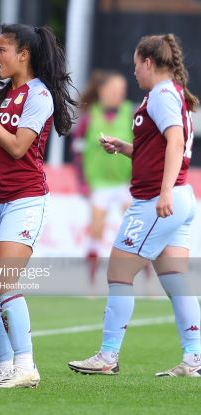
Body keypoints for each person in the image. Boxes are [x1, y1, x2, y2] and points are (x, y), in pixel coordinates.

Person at [68, 34, 199, 378]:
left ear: (148, 63)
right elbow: (163, 146)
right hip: (179, 196)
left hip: (159, 199)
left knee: (119, 274)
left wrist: (165, 191)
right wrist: (127, 148)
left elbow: (176, 141)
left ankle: (108, 356)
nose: (134, 72)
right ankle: (194, 359)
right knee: (175, 281)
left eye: (136, 65)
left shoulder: (162, 95)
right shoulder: (169, 94)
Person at [0, 23, 76, 388]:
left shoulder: (38, 95)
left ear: (23, 55)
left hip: (24, 198)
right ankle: (4, 367)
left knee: (7, 280)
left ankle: (26, 365)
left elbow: (17, 148)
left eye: (2, 50)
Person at [71, 70, 133, 282]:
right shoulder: (91, 116)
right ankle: (91, 280)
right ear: (102, 91)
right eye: (115, 89)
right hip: (99, 183)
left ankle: (146, 279)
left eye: (122, 90)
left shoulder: (129, 113)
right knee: (96, 230)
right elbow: (78, 151)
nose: (119, 94)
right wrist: (82, 182)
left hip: (125, 183)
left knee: (137, 230)